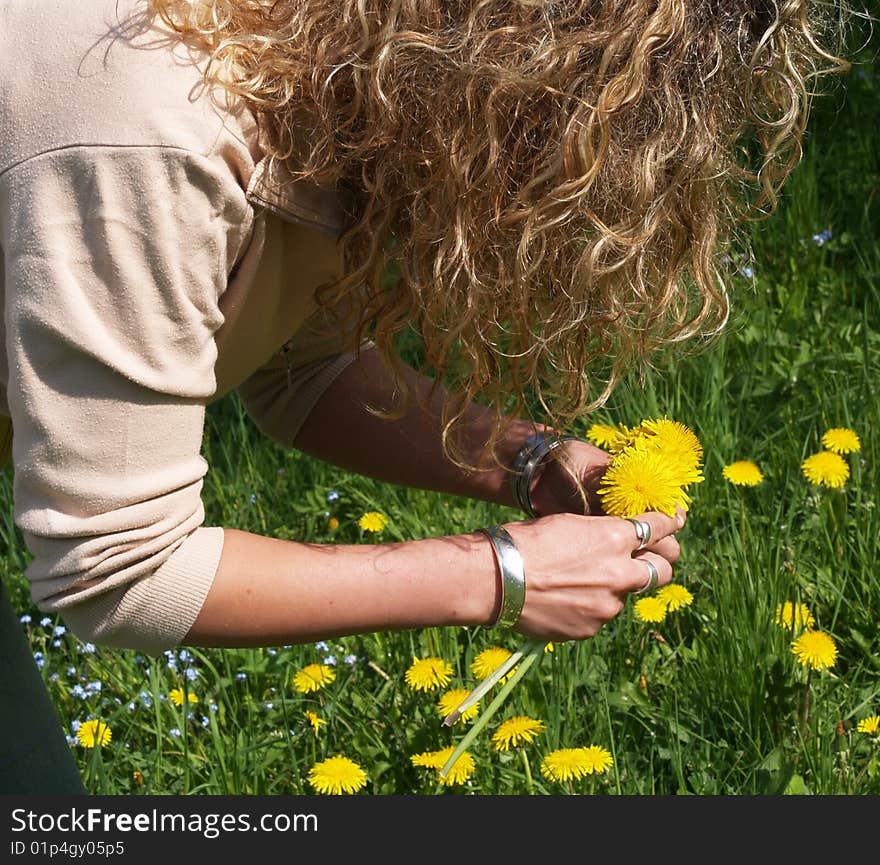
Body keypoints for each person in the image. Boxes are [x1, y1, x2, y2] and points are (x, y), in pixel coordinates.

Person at [0, 0, 851, 792]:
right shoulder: (162, 138)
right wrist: (503, 573)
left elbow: (301, 367)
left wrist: (527, 462)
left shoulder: (321, 75)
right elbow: (120, 569)